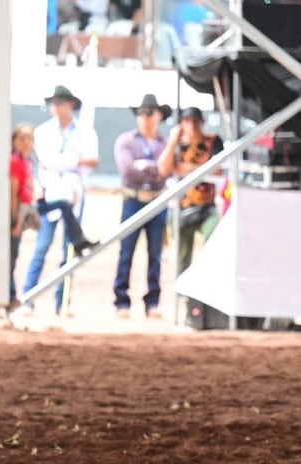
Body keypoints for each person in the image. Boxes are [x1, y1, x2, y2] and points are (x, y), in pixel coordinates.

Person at [22, 85, 99, 315]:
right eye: (53, 103)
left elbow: (92, 160)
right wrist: (75, 160)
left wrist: (66, 162)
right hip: (51, 193)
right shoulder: (43, 132)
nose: (56, 107)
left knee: (70, 249)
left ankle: (62, 302)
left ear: (71, 105)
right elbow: (47, 161)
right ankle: (28, 296)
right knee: (42, 245)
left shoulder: (86, 131)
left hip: (73, 192)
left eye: (60, 103)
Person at [112, 94, 171, 319]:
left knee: (155, 254)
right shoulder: (126, 141)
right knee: (126, 252)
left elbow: (166, 171)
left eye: (149, 113)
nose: (145, 117)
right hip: (132, 199)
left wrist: (144, 167)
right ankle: (121, 301)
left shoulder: (166, 143)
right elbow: (127, 170)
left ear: (159, 116)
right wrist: (155, 168)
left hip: (157, 200)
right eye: (141, 113)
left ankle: (153, 301)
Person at [158, 106, 224, 275]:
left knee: (214, 241)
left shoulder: (213, 141)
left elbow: (217, 169)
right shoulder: (177, 145)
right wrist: (173, 141)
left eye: (195, 121)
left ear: (202, 122)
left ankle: (204, 288)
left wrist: (182, 168)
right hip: (182, 208)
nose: (192, 126)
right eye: (187, 121)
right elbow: (165, 169)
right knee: (182, 257)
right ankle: (183, 296)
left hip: (206, 208)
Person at [9, 123, 36, 310]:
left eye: (30, 138)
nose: (26, 142)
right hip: (19, 210)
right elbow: (14, 192)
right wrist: (15, 220)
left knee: (14, 255)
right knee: (11, 256)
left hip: (26, 209)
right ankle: (10, 295)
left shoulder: (28, 161)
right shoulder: (15, 161)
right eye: (22, 138)